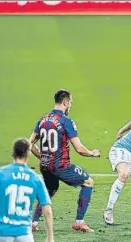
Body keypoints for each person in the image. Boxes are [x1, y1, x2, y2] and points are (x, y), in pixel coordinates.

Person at [29, 89, 100, 233]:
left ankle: (33, 223)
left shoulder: (43, 119)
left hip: (45, 165)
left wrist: (43, 156)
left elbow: (29, 143)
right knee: (88, 182)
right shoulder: (66, 121)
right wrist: (92, 153)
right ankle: (79, 222)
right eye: (70, 103)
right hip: (60, 166)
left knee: (49, 190)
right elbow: (79, 149)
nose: (70, 106)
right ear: (65, 102)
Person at [0, 138, 54, 242]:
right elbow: (46, 208)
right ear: (28, 153)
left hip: (0, 233)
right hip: (24, 235)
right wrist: (50, 237)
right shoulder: (36, 179)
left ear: (13, 153)